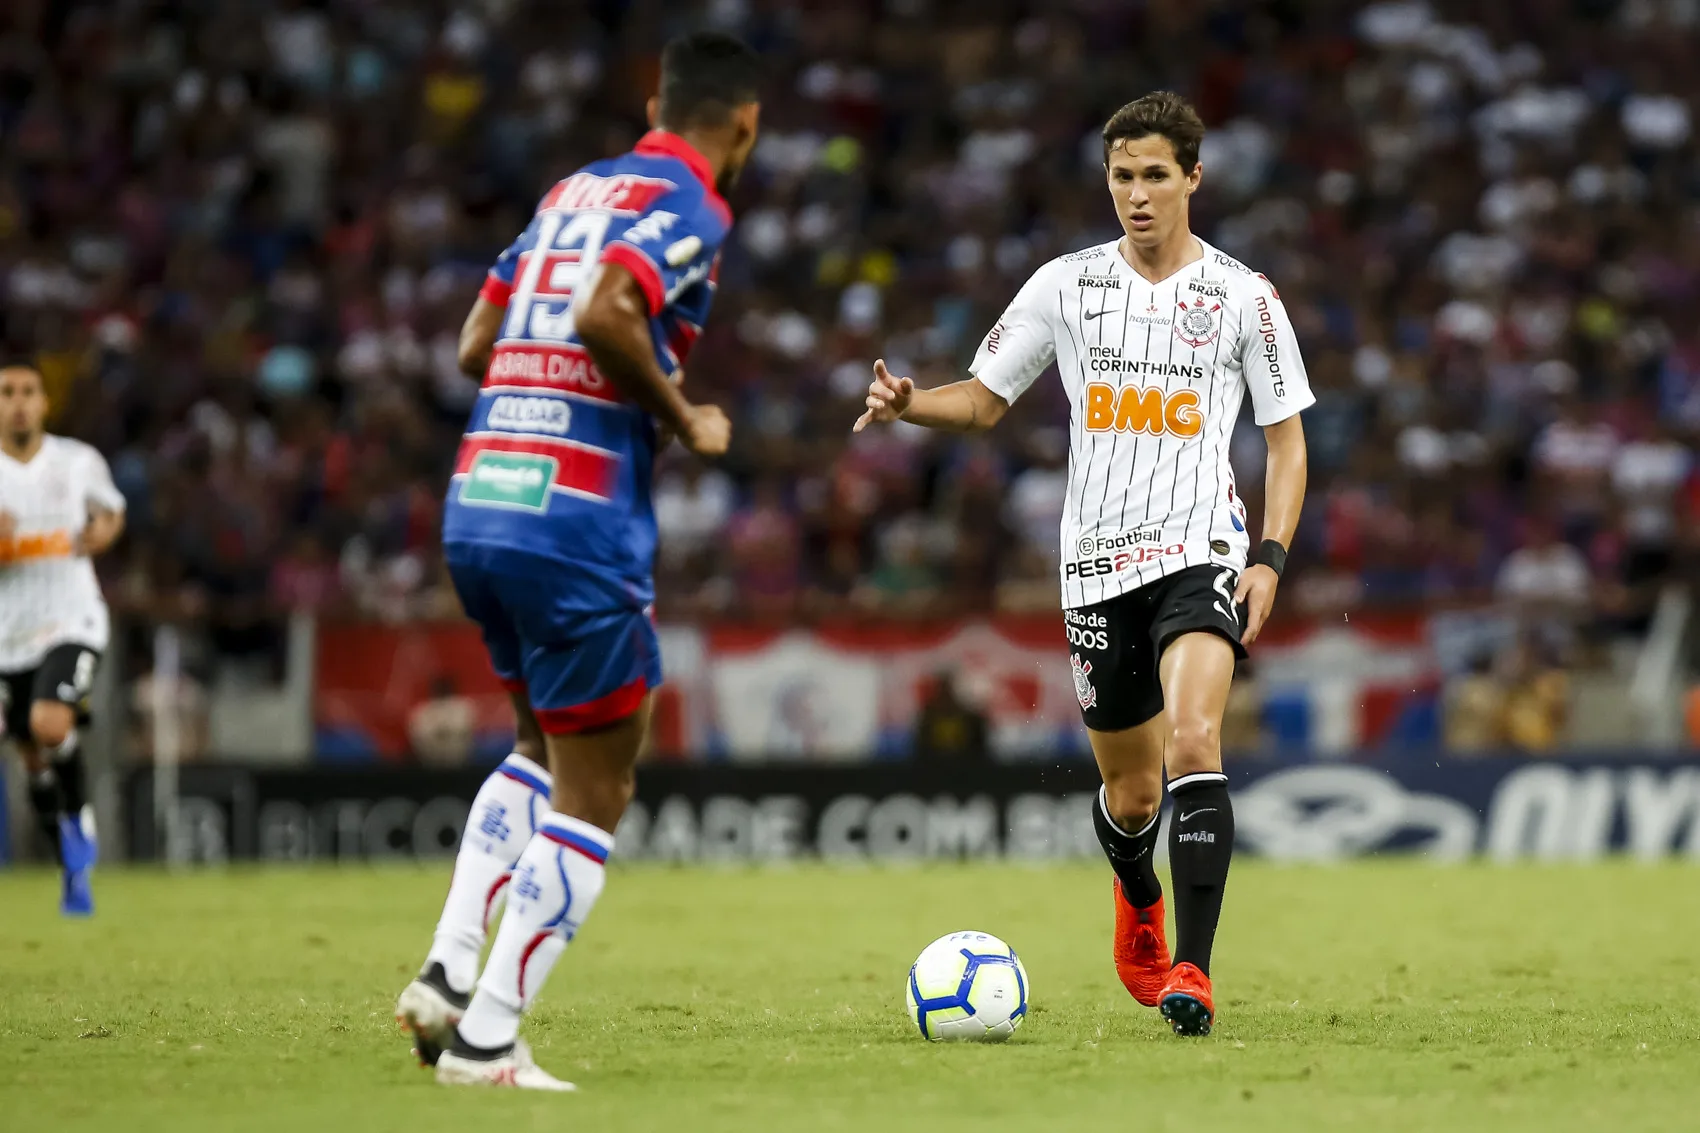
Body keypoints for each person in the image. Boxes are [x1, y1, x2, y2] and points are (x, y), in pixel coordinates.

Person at [855, 92, 1311, 1037]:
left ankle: (1194, 966)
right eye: (1121, 177)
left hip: (1202, 550)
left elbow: (1286, 440)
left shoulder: (1244, 297)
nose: (1137, 195)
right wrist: (909, 405)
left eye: (1154, 175)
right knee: (1132, 791)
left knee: (1194, 742)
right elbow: (982, 402)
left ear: (1194, 176)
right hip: (1096, 566)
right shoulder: (1066, 285)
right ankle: (1137, 889)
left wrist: (1267, 557)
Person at [394, 32, 759, 1090]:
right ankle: (486, 1039)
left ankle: (448, 972)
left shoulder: (571, 190)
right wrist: (683, 418)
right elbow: (607, 311)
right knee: (598, 786)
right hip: (573, 515)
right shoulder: (693, 206)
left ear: (655, 103)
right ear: (744, 124)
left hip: (482, 496)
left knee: (536, 744)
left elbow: (475, 344)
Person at [0, 360, 126, 916]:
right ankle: (71, 871)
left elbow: (112, 511)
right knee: (30, 755)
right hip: (7, 635)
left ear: (45, 402)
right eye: (7, 393)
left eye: (28, 391)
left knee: (48, 724)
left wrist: (104, 532)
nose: (19, 402)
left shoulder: (77, 461)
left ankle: (78, 830)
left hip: (72, 619)